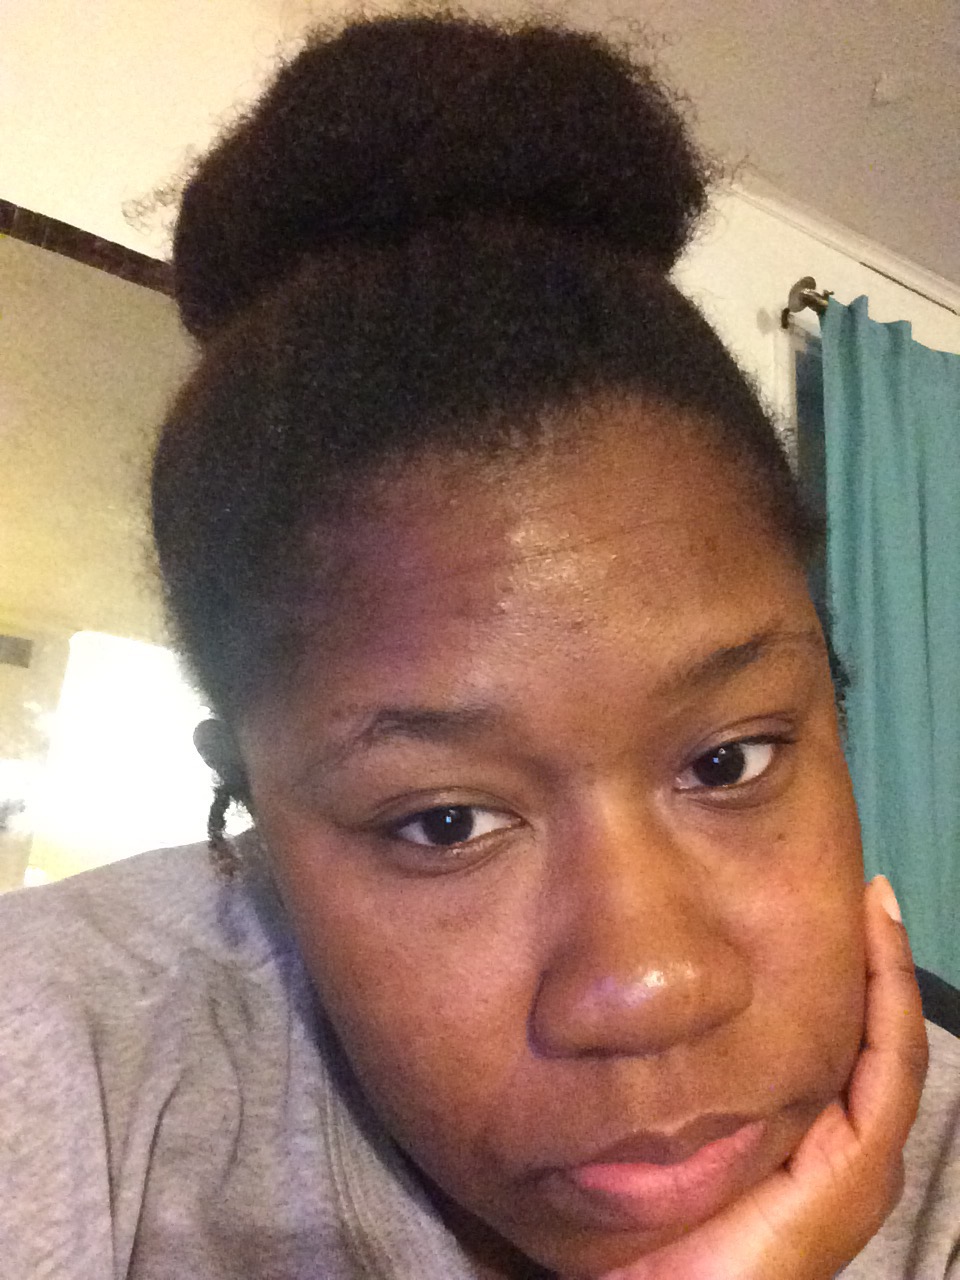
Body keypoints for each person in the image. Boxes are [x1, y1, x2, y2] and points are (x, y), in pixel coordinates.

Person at [0, 13, 956, 1279]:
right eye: (444, 821)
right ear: (255, 812)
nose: (650, 985)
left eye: (727, 760)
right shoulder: (60, 1058)